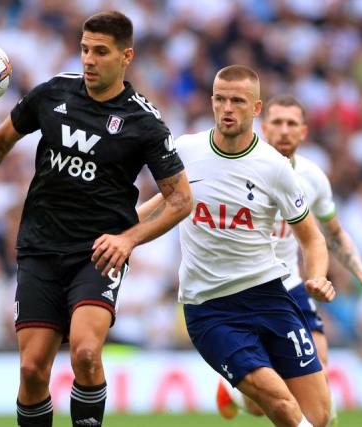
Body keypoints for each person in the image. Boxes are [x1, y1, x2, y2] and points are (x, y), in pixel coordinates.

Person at [0, 11, 192, 427]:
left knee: (87, 354)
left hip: (97, 253)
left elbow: (181, 199)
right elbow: (2, 139)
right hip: (39, 247)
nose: (89, 60)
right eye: (85, 49)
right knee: (32, 369)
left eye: (101, 52)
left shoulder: (144, 122)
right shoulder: (53, 93)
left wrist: (128, 241)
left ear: (126, 57)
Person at [137, 65, 334, 427]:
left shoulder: (274, 168)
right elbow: (162, 204)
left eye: (238, 101)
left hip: (269, 297)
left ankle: (234, 397)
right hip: (210, 307)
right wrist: (119, 234)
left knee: (319, 417)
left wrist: (318, 276)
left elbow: (312, 237)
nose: (227, 108)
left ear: (256, 109)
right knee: (282, 404)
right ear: (211, 101)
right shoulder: (186, 149)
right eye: (220, 99)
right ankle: (244, 390)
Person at [218, 95, 362, 423]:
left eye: (292, 124)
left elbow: (332, 232)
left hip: (291, 287)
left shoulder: (312, 177)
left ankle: (243, 394)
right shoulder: (237, 170)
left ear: (303, 132)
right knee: (263, 401)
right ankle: (234, 392)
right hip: (246, 290)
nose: (284, 130)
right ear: (263, 127)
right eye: (277, 122)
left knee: (320, 399)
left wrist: (360, 268)